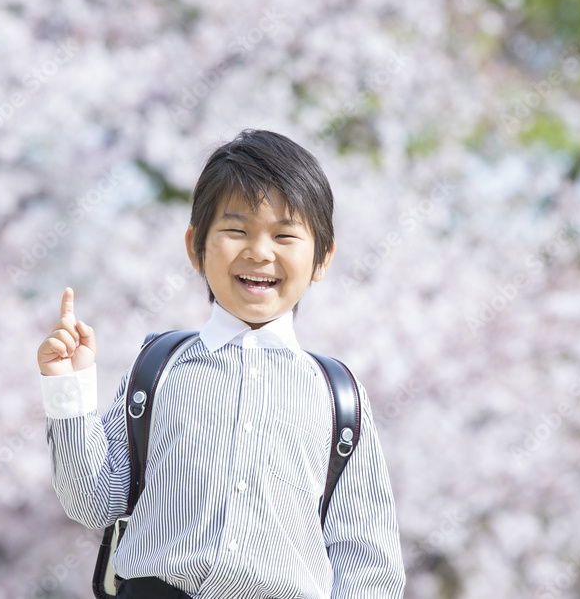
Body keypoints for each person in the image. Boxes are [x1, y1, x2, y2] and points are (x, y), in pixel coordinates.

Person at [37, 129, 405, 598]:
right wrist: (69, 390)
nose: (260, 252)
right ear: (196, 246)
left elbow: (367, 562)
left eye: (285, 235)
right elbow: (93, 501)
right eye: (236, 230)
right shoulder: (159, 368)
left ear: (322, 257)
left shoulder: (338, 397)